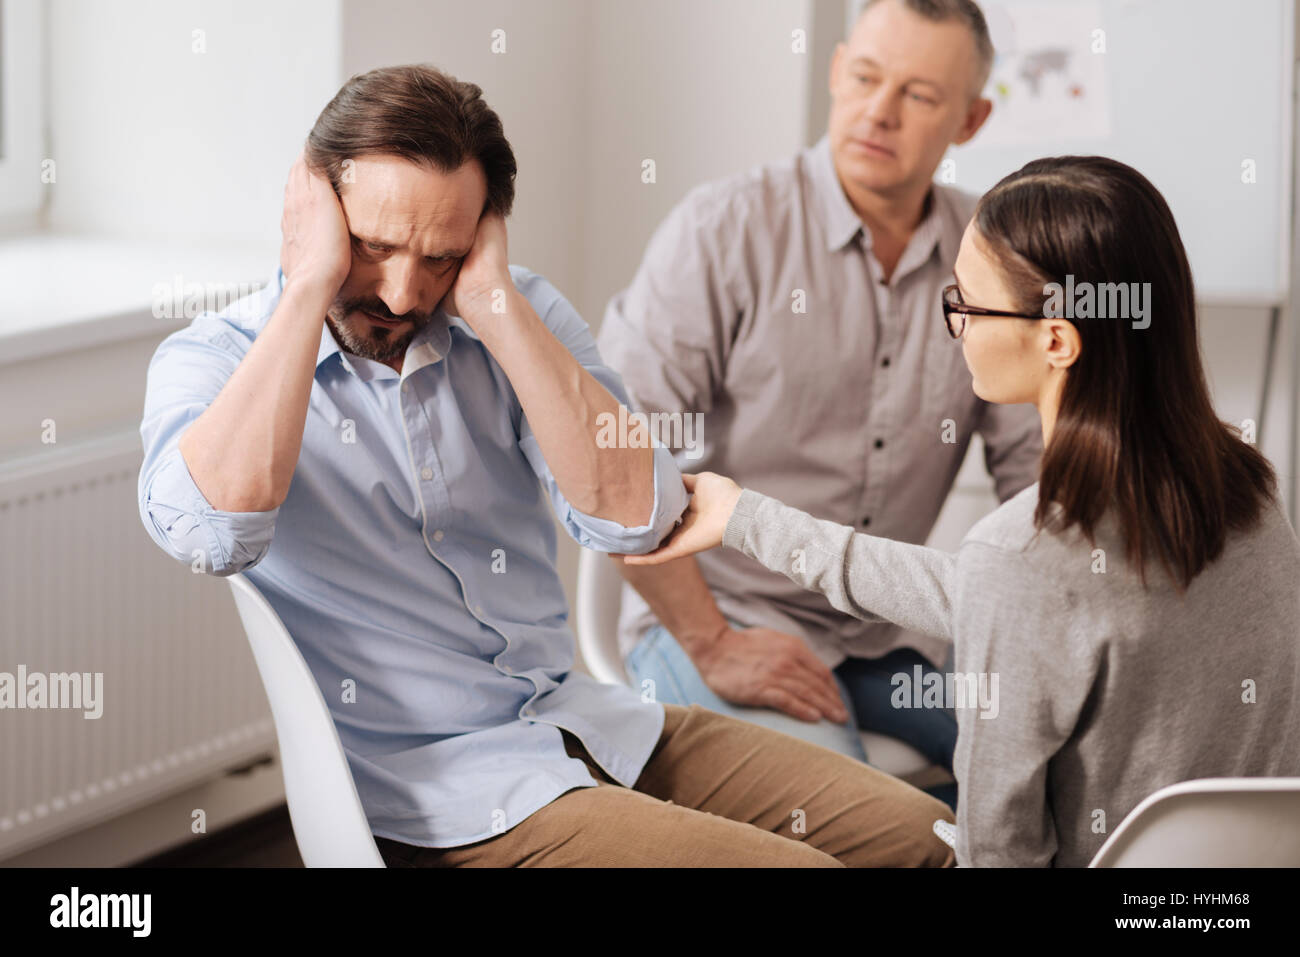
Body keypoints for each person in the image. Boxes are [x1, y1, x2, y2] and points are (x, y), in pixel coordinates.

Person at [137, 64, 955, 867]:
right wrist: (309, 285)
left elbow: (637, 517)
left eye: (440, 257)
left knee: (928, 838)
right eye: (370, 245)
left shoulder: (512, 314)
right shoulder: (216, 359)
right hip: (439, 799)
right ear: (309, 203)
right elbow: (212, 535)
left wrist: (493, 304)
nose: (399, 292)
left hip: (587, 723)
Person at [621, 154, 1300, 867]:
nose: (957, 325)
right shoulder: (1251, 497)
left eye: (969, 306)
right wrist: (746, 518)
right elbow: (1019, 602)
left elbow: (998, 851)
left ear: (1057, 339)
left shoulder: (1022, 557)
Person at [597, 0, 1041, 804]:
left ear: (970, 120)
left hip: (886, 632)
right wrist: (714, 642)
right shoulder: (723, 231)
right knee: (850, 818)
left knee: (1052, 770)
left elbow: (1041, 478)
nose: (879, 111)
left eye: (919, 95)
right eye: (866, 78)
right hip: (723, 615)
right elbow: (614, 460)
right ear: (837, 72)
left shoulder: (990, 257)